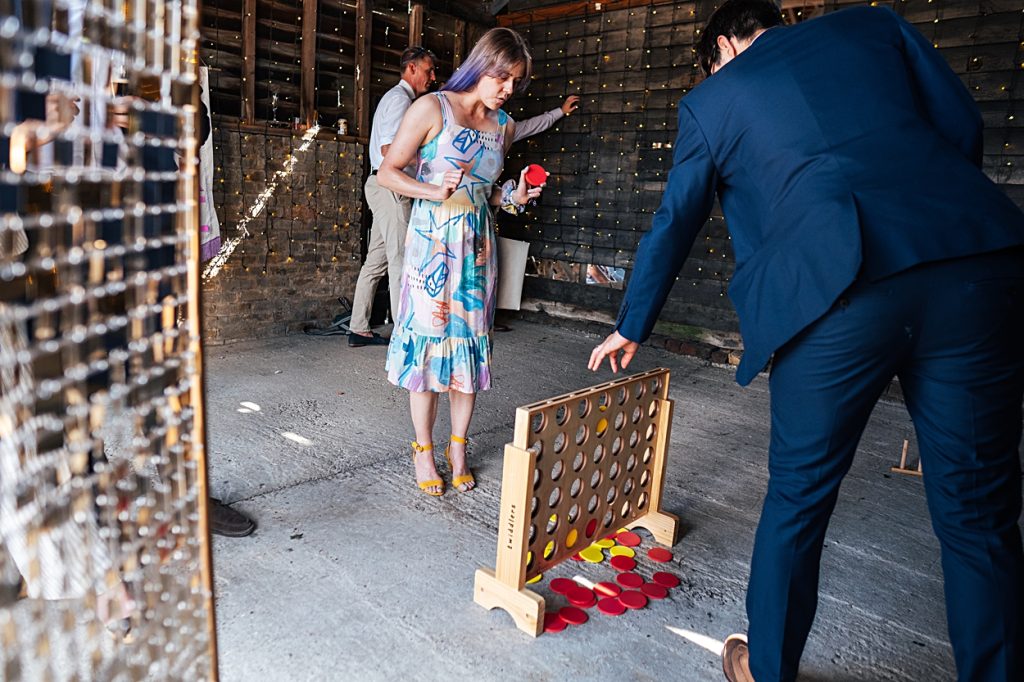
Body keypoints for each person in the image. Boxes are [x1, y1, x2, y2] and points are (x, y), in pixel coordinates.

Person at [587, 2, 1024, 681]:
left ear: (725, 45)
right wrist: (928, 218)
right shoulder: (876, 26)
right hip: (968, 266)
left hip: (835, 294)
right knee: (979, 515)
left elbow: (677, 219)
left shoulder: (715, 98)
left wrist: (631, 323)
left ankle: (768, 669)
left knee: (799, 496)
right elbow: (962, 123)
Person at [377, 27, 543, 496]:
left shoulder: (503, 126)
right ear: (483, 65)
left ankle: (458, 447)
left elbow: (489, 193)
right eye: (504, 78)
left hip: (477, 252)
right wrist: (433, 189)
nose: (509, 90)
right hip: (431, 246)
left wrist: (513, 195)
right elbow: (389, 170)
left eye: (516, 82)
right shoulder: (433, 108)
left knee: (467, 349)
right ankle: (424, 451)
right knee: (429, 351)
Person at [347, 46, 437, 348]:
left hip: (380, 186)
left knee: (376, 262)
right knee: (401, 260)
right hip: (390, 188)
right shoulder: (400, 100)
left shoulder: (399, 100)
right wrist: (429, 164)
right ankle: (404, 334)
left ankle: (358, 328)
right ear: (411, 69)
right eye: (428, 70)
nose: (433, 77)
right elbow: (390, 149)